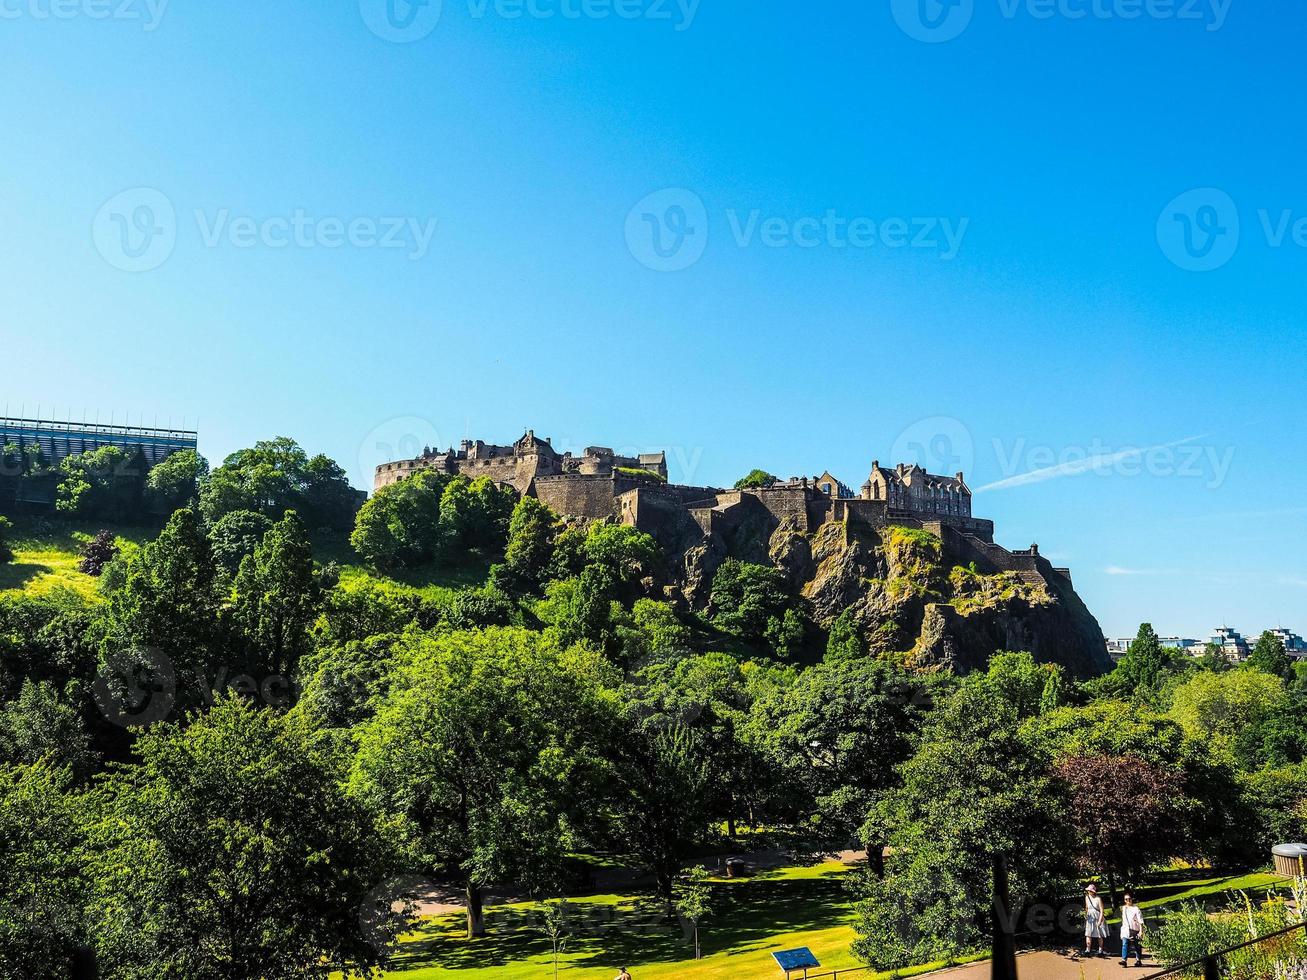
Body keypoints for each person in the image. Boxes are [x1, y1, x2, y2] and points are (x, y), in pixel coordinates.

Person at [1119, 892, 1145, 968]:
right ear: (1124, 900)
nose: (1128, 900)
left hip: (1135, 930)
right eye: (1126, 899)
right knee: (1125, 944)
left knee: (1137, 946)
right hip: (1125, 930)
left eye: (1129, 899)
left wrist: (1141, 931)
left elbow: (1140, 921)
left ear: (1132, 899)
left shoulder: (1136, 909)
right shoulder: (1123, 908)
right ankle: (1124, 960)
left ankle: (1138, 960)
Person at [1083, 883, 1108, 957]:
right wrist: (1085, 914)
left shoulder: (1098, 899)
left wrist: (1100, 920)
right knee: (1088, 934)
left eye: (1090, 891)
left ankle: (1100, 950)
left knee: (1099, 935)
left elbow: (1101, 910)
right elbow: (1087, 907)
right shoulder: (1087, 897)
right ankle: (1087, 950)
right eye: (1088, 891)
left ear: (1093, 891)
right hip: (1090, 918)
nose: (1089, 892)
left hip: (1097, 917)